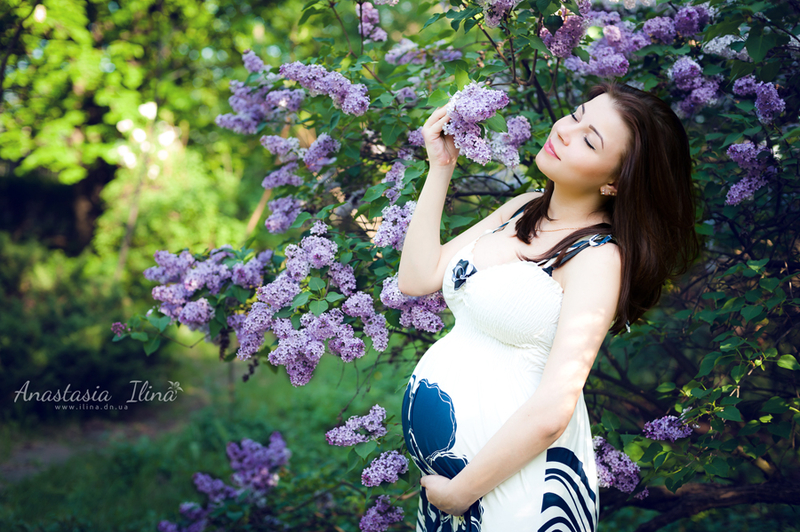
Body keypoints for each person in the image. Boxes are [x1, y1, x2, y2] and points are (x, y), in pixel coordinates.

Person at [396, 81, 699, 531]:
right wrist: (440, 167)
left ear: (615, 182)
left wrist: (459, 494)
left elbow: (554, 410)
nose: (565, 131)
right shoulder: (522, 209)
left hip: (516, 494)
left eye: (589, 140)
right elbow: (417, 277)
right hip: (458, 490)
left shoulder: (598, 258)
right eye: (576, 115)